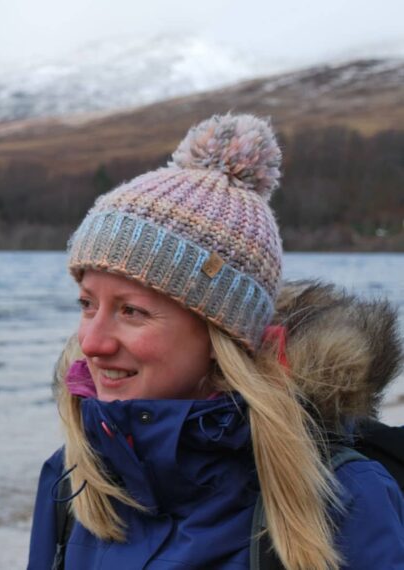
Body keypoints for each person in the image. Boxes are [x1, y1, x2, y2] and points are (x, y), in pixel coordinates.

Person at [27, 114, 404, 569]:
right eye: (88, 305)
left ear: (220, 334)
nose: (92, 342)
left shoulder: (341, 498)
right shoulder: (73, 482)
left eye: (131, 311)